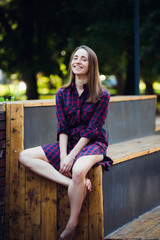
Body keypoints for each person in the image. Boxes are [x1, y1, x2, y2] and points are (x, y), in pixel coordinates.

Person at [19, 45, 113, 240]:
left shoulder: (102, 95)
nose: (77, 61)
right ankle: (73, 183)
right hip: (68, 143)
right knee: (24, 156)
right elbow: (62, 127)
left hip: (92, 143)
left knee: (79, 169)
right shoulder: (62, 93)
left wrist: (71, 156)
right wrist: (63, 156)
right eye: (75, 58)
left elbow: (92, 129)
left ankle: (72, 224)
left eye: (83, 59)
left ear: (91, 65)